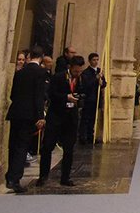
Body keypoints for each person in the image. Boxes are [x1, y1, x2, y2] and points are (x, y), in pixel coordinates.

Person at [38, 55, 86, 187]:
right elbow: (51, 94)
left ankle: (65, 177)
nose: (78, 73)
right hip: (56, 116)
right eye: (76, 71)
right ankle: (43, 176)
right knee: (48, 147)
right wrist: (66, 97)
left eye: (80, 71)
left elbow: (83, 93)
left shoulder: (81, 79)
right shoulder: (59, 77)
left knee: (69, 149)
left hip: (71, 118)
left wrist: (80, 98)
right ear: (70, 68)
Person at [5, 50, 47, 193]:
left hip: (15, 112)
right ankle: (15, 179)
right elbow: (39, 96)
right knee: (22, 146)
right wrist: (40, 116)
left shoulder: (20, 72)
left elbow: (12, 94)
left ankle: (9, 175)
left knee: (13, 144)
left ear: (29, 57)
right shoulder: (41, 73)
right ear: (41, 58)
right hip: (29, 114)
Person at [78, 52, 105, 145]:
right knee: (86, 118)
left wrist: (102, 83)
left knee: (93, 118)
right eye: (94, 60)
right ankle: (83, 136)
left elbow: (104, 83)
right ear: (89, 61)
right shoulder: (86, 72)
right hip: (89, 98)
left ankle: (91, 136)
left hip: (96, 98)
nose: (96, 62)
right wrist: (96, 79)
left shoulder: (99, 71)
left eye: (97, 59)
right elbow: (86, 85)